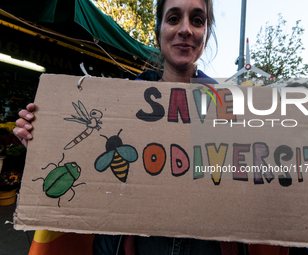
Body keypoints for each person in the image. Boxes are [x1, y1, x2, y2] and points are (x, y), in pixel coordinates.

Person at [13, 0, 290, 254]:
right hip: (134, 246)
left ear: (206, 33)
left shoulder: (232, 111)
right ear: (158, 29)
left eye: (197, 20)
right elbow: (87, 168)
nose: (185, 29)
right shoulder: (117, 104)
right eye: (173, 18)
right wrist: (44, 139)